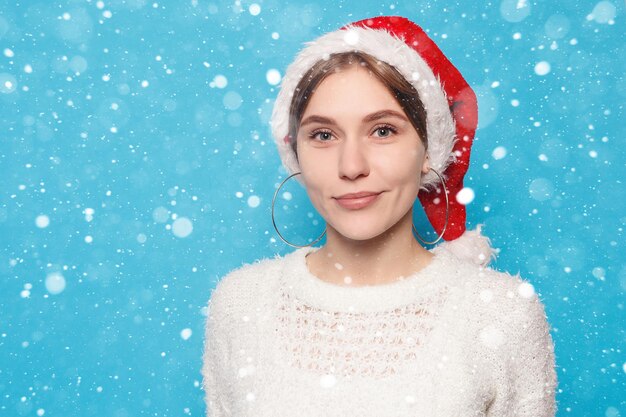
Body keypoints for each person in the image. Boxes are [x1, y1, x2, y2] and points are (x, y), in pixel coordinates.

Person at [202, 16, 558, 417]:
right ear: (295, 153)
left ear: (429, 150)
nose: (351, 166)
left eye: (383, 130)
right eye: (323, 135)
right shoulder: (240, 305)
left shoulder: (503, 313)